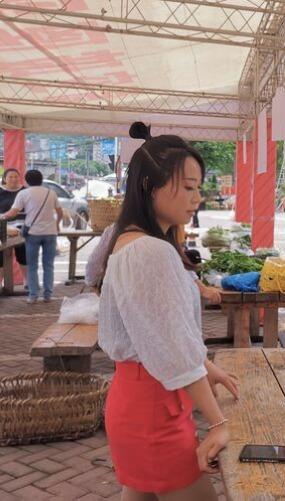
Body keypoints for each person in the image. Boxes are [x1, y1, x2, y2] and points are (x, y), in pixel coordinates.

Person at [98, 122, 239, 500]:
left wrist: (208, 368)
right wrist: (219, 422)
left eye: (199, 187)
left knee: (140, 493)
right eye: (188, 187)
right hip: (153, 409)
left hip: (140, 399)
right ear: (150, 187)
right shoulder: (150, 251)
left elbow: (156, 333)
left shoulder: (131, 240)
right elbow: (173, 349)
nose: (197, 197)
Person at [84, 223, 222, 305]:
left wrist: (98, 288)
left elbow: (91, 273)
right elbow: (179, 267)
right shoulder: (160, 234)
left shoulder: (114, 229)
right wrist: (202, 289)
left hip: (122, 307)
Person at [1, 169, 63, 303]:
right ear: (41, 179)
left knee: (32, 265)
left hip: (32, 234)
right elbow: (59, 212)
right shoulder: (50, 193)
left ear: (26, 180)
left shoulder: (24, 193)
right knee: (48, 265)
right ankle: (47, 295)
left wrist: (2, 217)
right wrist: (57, 225)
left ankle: (33, 296)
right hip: (50, 233)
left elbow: (12, 212)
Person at [0, 169, 27, 288]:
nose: (14, 179)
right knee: (1, 255)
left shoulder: (25, 191)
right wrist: (5, 227)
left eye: (16, 176)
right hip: (2, 227)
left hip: (23, 228)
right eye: (10, 177)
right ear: (5, 178)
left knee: (24, 253)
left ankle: (27, 281)